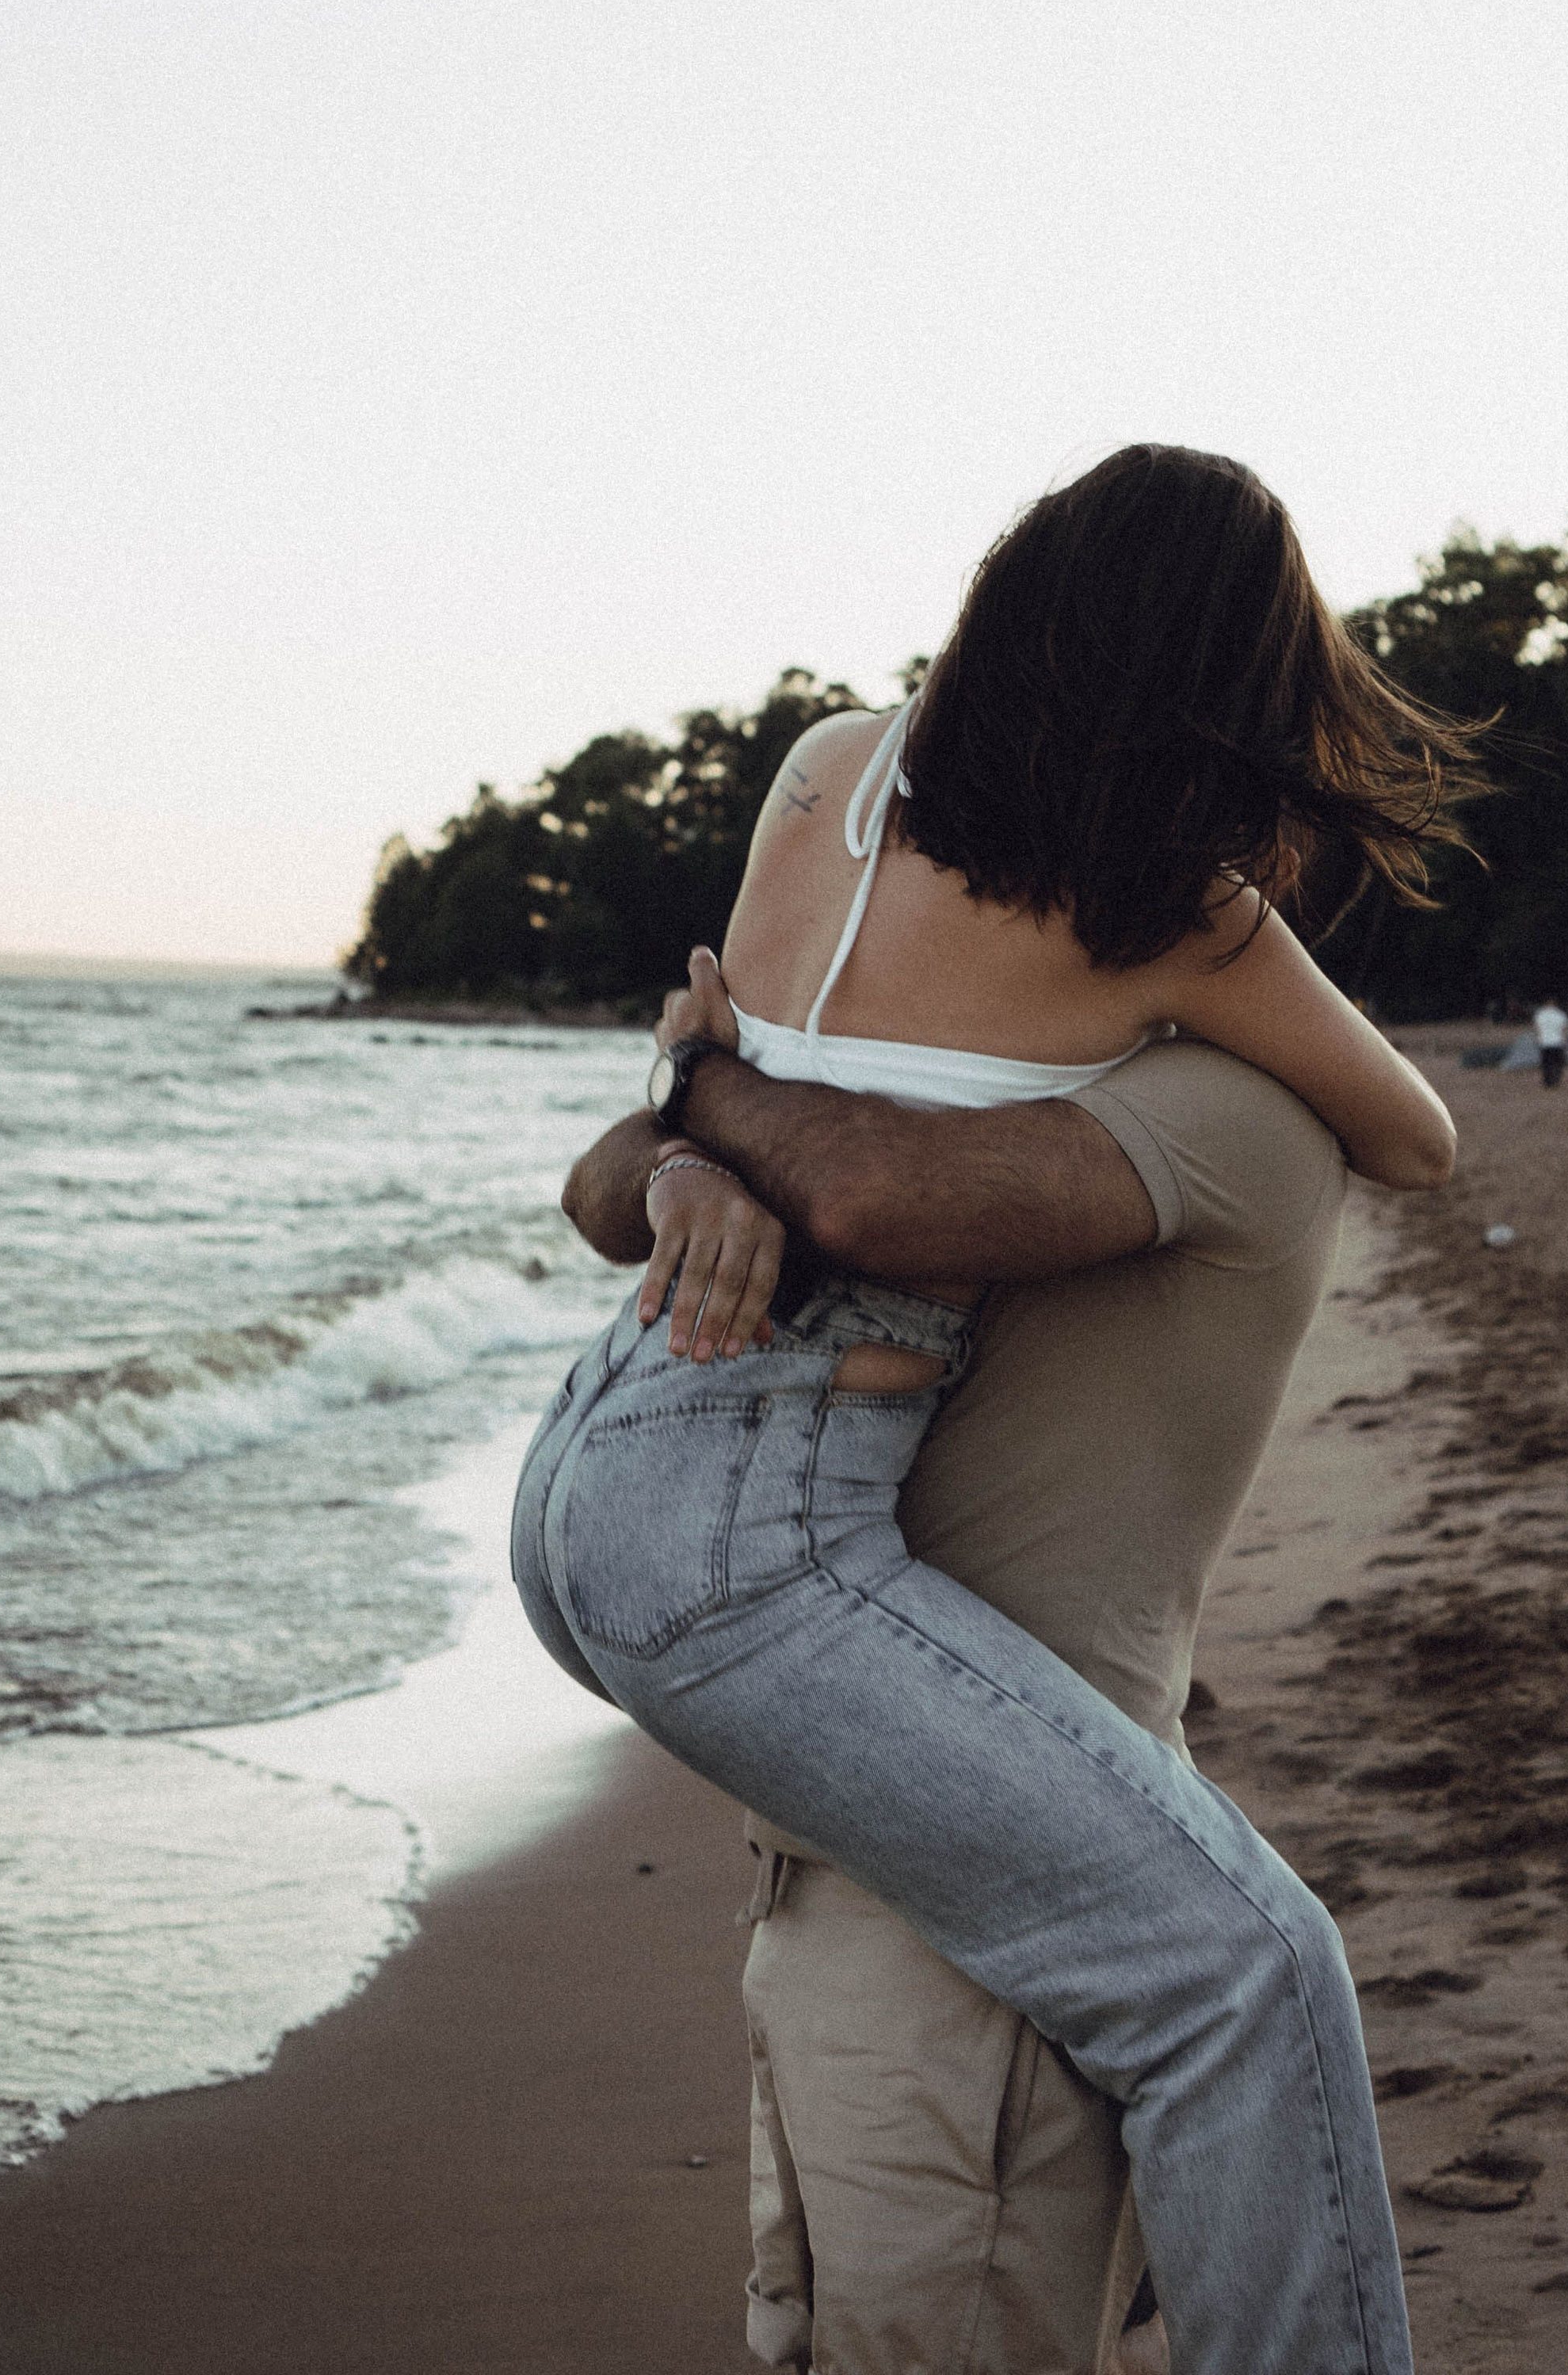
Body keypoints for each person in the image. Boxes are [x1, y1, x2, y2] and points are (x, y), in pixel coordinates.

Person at [512, 445, 1477, 2375]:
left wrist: (694, 1105)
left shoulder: (823, 770)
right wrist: (1191, 990)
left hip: (605, 1449)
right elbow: (1416, 1134)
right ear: (1220, 685)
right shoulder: (1171, 926)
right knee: (1257, 1970)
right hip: (750, 1527)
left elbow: (693, 1099)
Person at [563, 949, 1349, 2372]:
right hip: (839, 1870)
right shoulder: (974, 1090)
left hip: (988, 1945)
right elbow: (596, 1186)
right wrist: (685, 1166)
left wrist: (701, 1080)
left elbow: (864, 1193)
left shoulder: (1219, 1114)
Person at [1532, 995, 1568, 1088]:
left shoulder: (1540, 1014)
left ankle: (1548, 1081)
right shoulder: (1561, 1014)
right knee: (1558, 1063)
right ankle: (1556, 1080)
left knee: (1546, 1063)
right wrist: (1566, 1041)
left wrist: (1538, 1039)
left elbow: (1536, 1028)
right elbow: (1565, 1029)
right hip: (1558, 1042)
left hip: (1545, 1043)